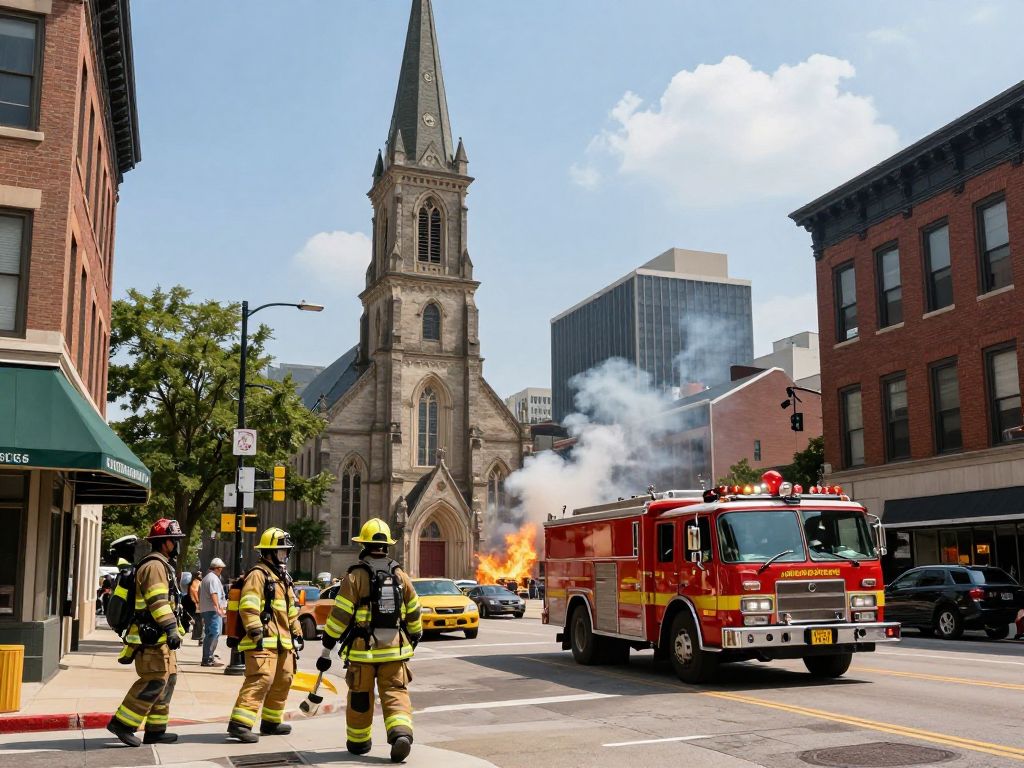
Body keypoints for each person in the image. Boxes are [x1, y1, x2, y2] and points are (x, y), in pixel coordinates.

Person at [320, 518, 422, 762]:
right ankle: (401, 734)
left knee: (360, 698)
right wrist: (413, 636)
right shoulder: (399, 574)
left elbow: (340, 615)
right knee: (396, 693)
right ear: (386, 546)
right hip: (394, 650)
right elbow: (415, 608)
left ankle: (359, 743)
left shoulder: (355, 576)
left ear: (363, 545)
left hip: (362, 652)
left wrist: (327, 646)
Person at [106, 519, 186, 748]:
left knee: (167, 681)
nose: (178, 544)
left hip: (160, 640)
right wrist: (170, 627)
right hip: (149, 639)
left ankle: (156, 730)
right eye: (175, 540)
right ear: (165, 542)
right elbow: (157, 602)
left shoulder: (163, 564)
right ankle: (123, 723)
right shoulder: (154, 566)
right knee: (153, 681)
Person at [226, 528, 303, 743]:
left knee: (284, 679)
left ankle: (271, 722)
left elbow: (291, 610)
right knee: (261, 679)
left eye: (286, 552)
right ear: (269, 552)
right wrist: (254, 629)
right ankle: (240, 724)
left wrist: (297, 632)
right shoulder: (257, 575)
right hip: (262, 640)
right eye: (281, 552)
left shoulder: (282, 577)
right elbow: (248, 605)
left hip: (283, 642)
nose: (285, 556)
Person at [200, 558, 227, 666]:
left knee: (210, 633)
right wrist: (218, 608)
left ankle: (208, 656)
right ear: (218, 568)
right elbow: (214, 593)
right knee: (214, 633)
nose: (222, 570)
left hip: (208, 609)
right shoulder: (213, 579)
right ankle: (208, 657)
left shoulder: (207, 578)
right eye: (221, 569)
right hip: (212, 610)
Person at [187, 571, 204, 643]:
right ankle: (199, 637)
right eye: (200, 575)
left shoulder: (192, 583)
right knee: (199, 622)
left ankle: (198, 636)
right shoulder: (197, 582)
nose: (201, 576)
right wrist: (198, 601)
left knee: (198, 622)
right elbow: (195, 592)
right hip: (197, 605)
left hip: (194, 605)